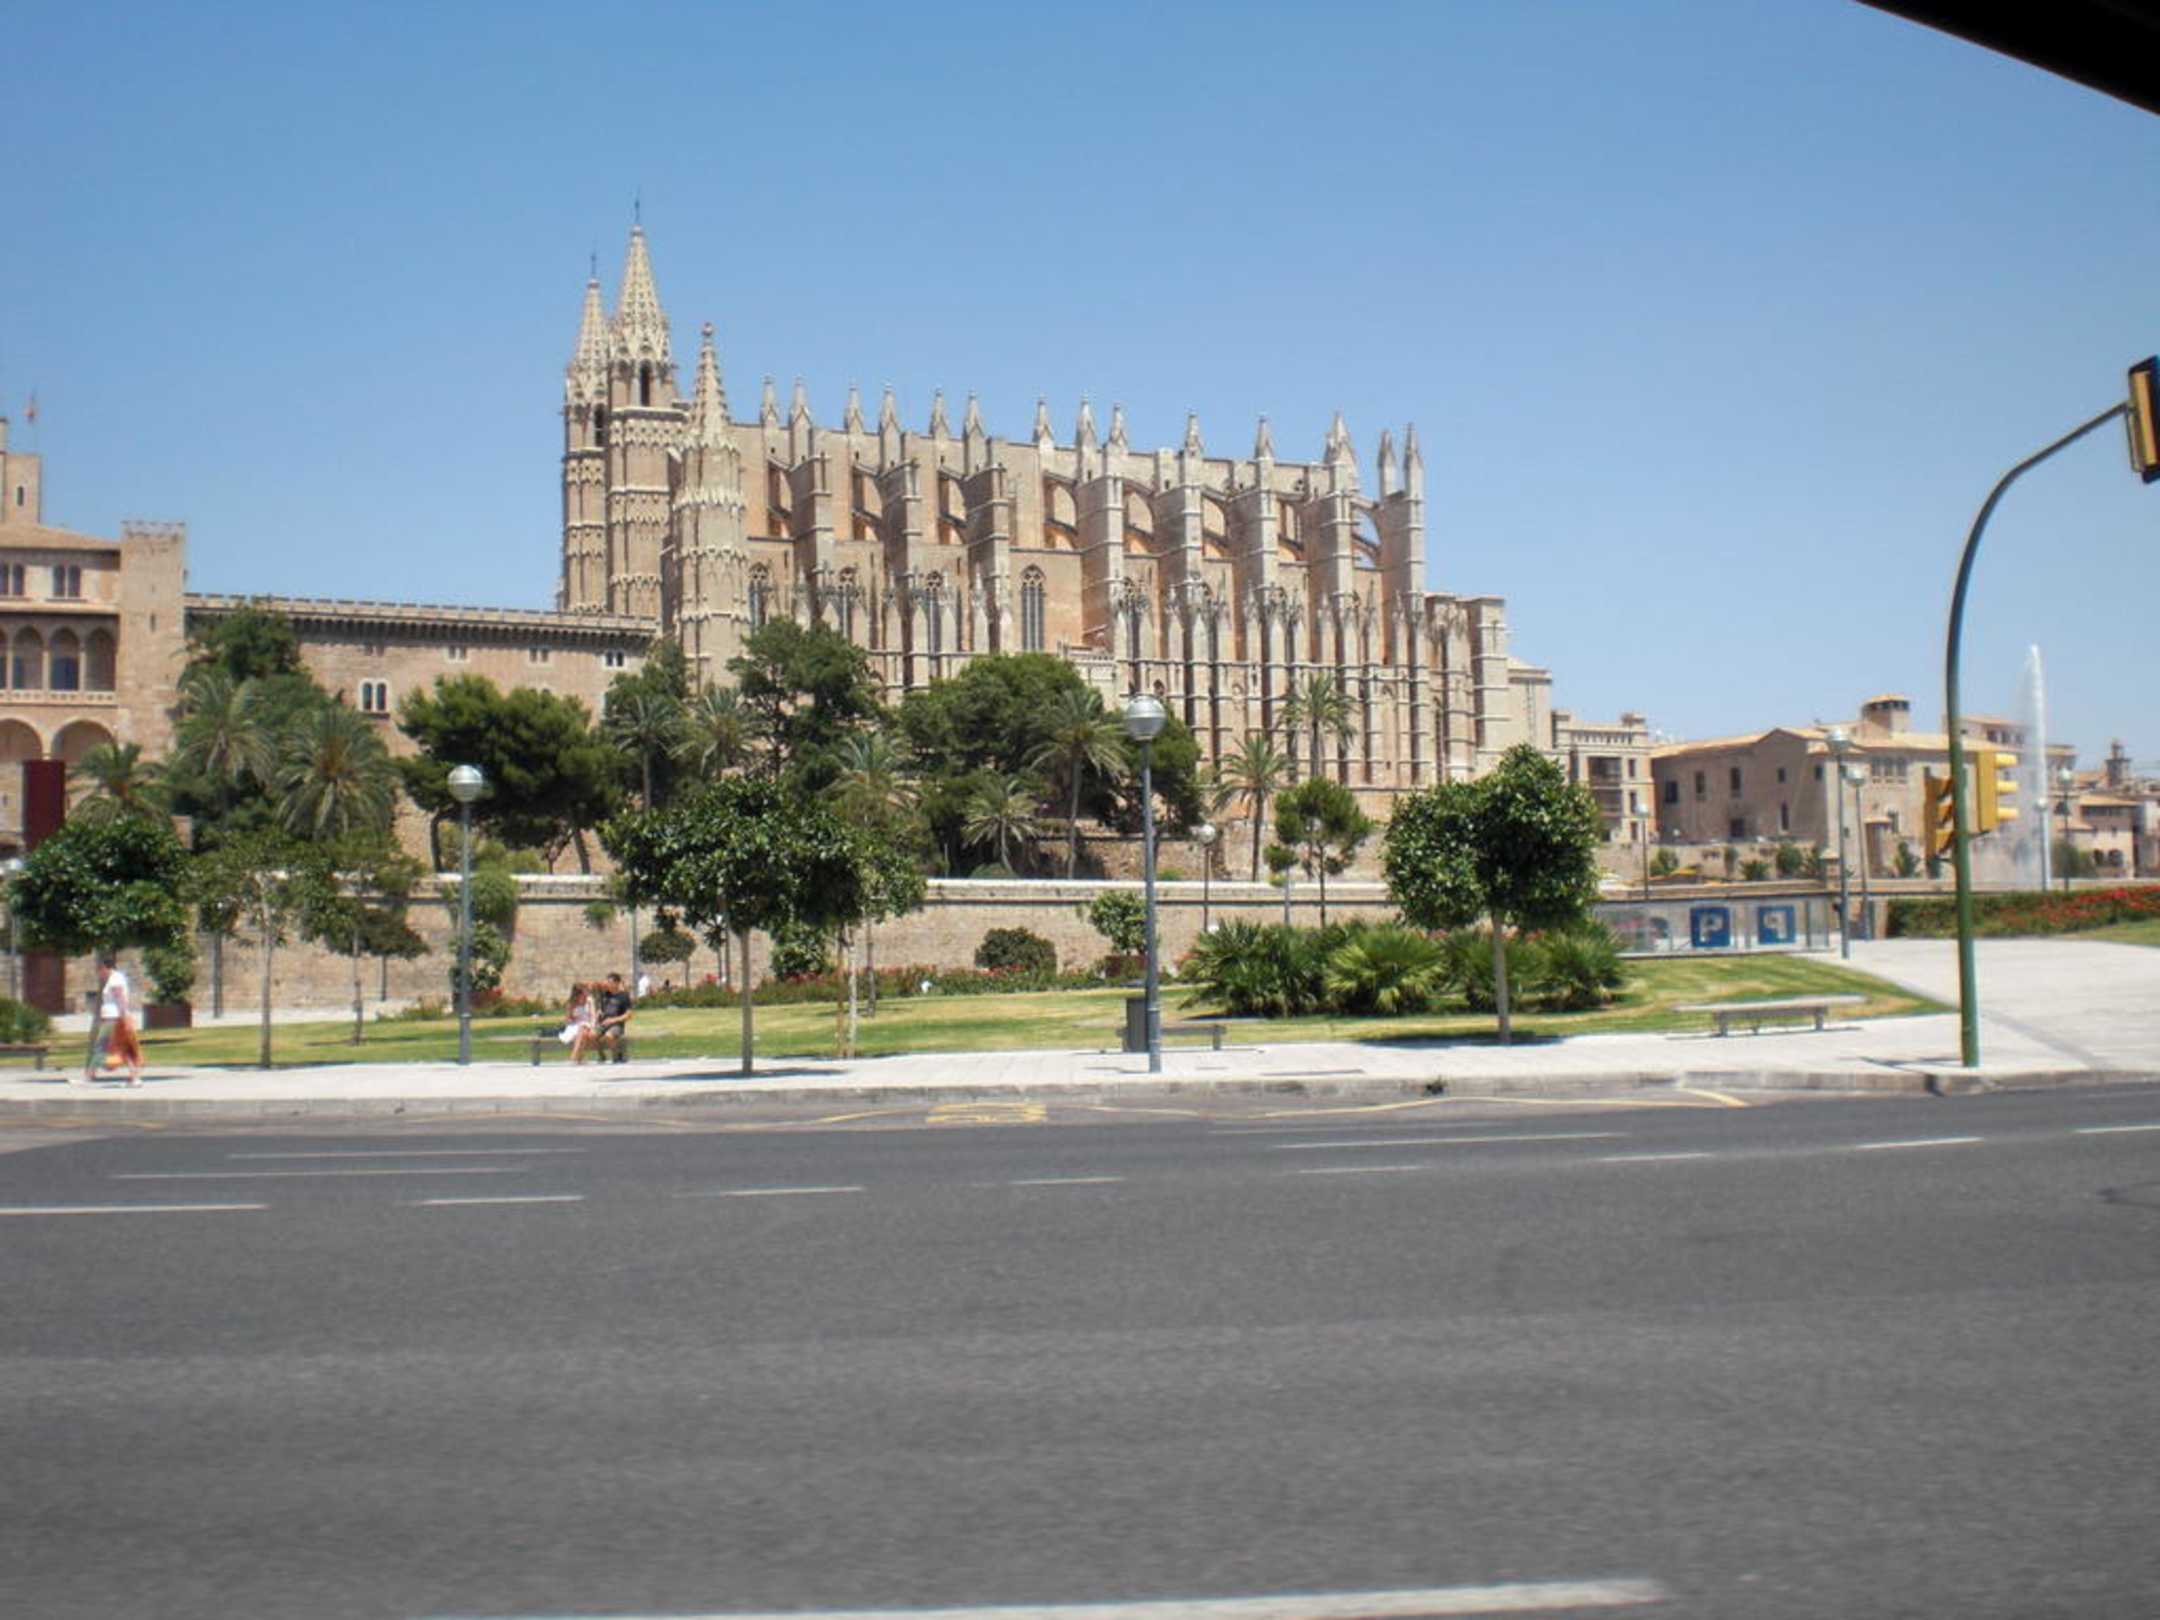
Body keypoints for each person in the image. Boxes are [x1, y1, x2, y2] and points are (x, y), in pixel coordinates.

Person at [84, 952, 143, 1088]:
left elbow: (120, 999)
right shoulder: (114, 978)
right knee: (124, 1048)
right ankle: (135, 1078)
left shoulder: (115, 979)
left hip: (114, 1018)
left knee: (100, 1046)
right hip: (113, 1017)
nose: (98, 973)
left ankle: (90, 1076)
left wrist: (125, 1017)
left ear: (105, 967)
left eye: (99, 969)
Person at [592, 971, 634, 1063]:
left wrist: (613, 1020)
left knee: (609, 1036)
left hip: (616, 1024)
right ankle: (602, 1056)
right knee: (592, 1035)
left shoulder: (624, 996)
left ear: (617, 983)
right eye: (607, 982)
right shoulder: (605, 994)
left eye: (610, 982)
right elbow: (601, 1008)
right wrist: (599, 1013)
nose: (607, 984)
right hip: (603, 1023)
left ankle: (617, 1056)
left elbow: (629, 1015)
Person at [561, 980, 598, 1064]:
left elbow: (593, 1016)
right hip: (574, 1025)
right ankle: (580, 1057)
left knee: (583, 1028)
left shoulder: (589, 1001)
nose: (584, 994)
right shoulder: (571, 1003)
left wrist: (593, 1028)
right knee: (583, 1032)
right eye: (581, 993)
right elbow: (567, 1019)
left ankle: (574, 1056)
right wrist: (572, 1018)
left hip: (588, 1024)